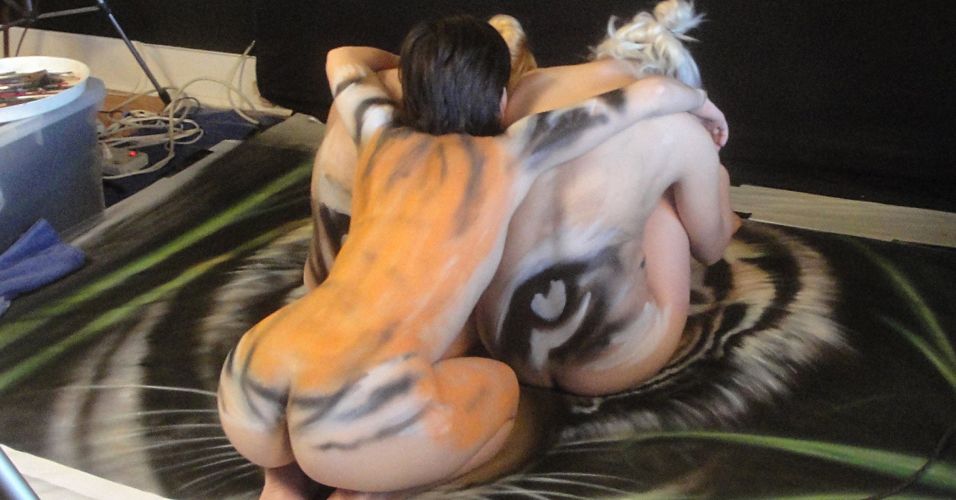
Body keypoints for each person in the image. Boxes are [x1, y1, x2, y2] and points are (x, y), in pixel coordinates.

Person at [219, 13, 725, 498]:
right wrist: (703, 106)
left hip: (252, 376)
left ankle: (280, 485)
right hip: (360, 414)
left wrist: (411, 66)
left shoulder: (376, 129)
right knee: (500, 389)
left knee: (307, 392)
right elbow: (651, 95)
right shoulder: (510, 153)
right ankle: (365, 489)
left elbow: (341, 57)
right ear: (502, 98)